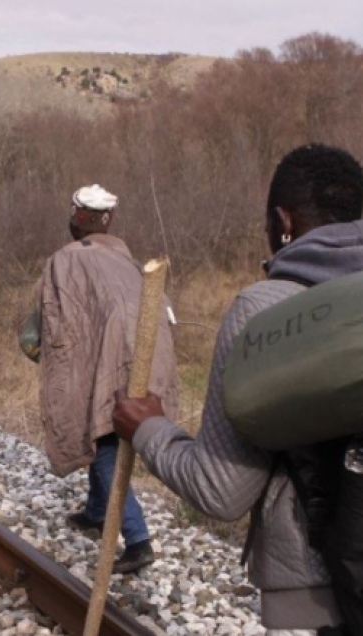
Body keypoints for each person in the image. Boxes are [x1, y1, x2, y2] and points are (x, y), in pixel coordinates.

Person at [113, 144, 363, 635]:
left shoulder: (264, 312)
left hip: (330, 585)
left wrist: (148, 429)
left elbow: (221, 490)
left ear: (281, 221)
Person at [27, 184, 178, 575]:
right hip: (151, 360)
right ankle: (96, 512)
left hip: (111, 362)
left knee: (105, 439)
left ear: (78, 217)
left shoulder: (67, 260)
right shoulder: (130, 261)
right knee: (102, 434)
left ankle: (137, 537)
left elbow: (57, 321)